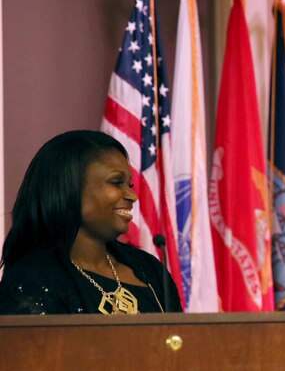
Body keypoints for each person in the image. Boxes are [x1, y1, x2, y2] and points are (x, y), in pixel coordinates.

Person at [0, 130, 181, 314]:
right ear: (69, 188)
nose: (132, 196)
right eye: (116, 182)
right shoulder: (34, 278)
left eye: (130, 185)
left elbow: (181, 340)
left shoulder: (149, 269)